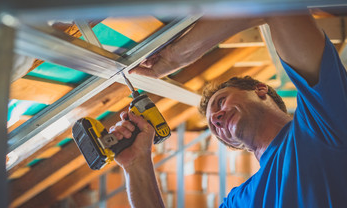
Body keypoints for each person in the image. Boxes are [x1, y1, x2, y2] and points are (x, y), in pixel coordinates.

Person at [108, 11, 347, 207]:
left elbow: (277, 4)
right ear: (234, 145)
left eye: (221, 102)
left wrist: (176, 56)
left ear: (260, 90)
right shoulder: (239, 201)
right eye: (214, 125)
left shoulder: (321, 123)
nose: (218, 118)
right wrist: (137, 165)